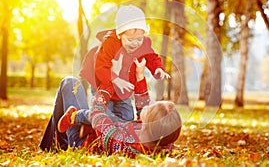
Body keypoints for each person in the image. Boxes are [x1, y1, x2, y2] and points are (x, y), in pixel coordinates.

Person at [39, 56, 182, 158]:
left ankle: (60, 140)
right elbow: (142, 107)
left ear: (146, 125)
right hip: (106, 126)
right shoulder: (161, 139)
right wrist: (139, 76)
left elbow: (97, 114)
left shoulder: (121, 142)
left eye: (149, 109)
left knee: (69, 83)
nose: (147, 106)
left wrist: (110, 79)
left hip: (84, 141)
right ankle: (52, 142)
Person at [93, 4, 170, 122]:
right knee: (101, 116)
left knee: (128, 118)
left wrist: (157, 68)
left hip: (123, 93)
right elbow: (100, 67)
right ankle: (78, 117)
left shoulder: (144, 44)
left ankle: (117, 133)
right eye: (130, 40)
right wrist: (115, 79)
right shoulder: (110, 43)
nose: (135, 43)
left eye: (139, 39)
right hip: (104, 88)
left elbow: (152, 57)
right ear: (119, 35)